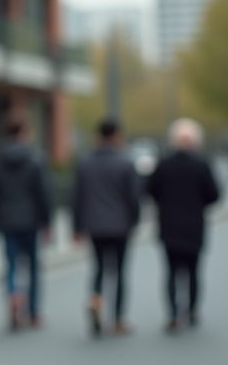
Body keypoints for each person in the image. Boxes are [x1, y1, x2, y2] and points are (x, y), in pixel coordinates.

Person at [147, 118, 221, 333]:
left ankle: (172, 313)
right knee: (193, 271)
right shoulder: (201, 165)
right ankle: (192, 310)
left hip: (168, 225)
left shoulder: (164, 164)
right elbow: (214, 195)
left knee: (170, 271)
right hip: (193, 226)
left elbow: (150, 191)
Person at [72, 117, 141, 337]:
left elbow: (76, 198)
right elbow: (133, 197)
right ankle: (119, 319)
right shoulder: (125, 162)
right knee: (119, 272)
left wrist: (77, 227)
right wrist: (134, 221)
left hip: (94, 225)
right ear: (117, 136)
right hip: (120, 225)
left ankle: (95, 299)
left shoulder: (84, 162)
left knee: (99, 268)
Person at [0, 113, 52, 330]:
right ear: (23, 133)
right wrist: (47, 222)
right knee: (33, 266)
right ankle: (32, 313)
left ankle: (14, 295)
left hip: (6, 219)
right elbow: (42, 192)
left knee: (11, 264)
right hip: (31, 219)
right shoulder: (35, 158)